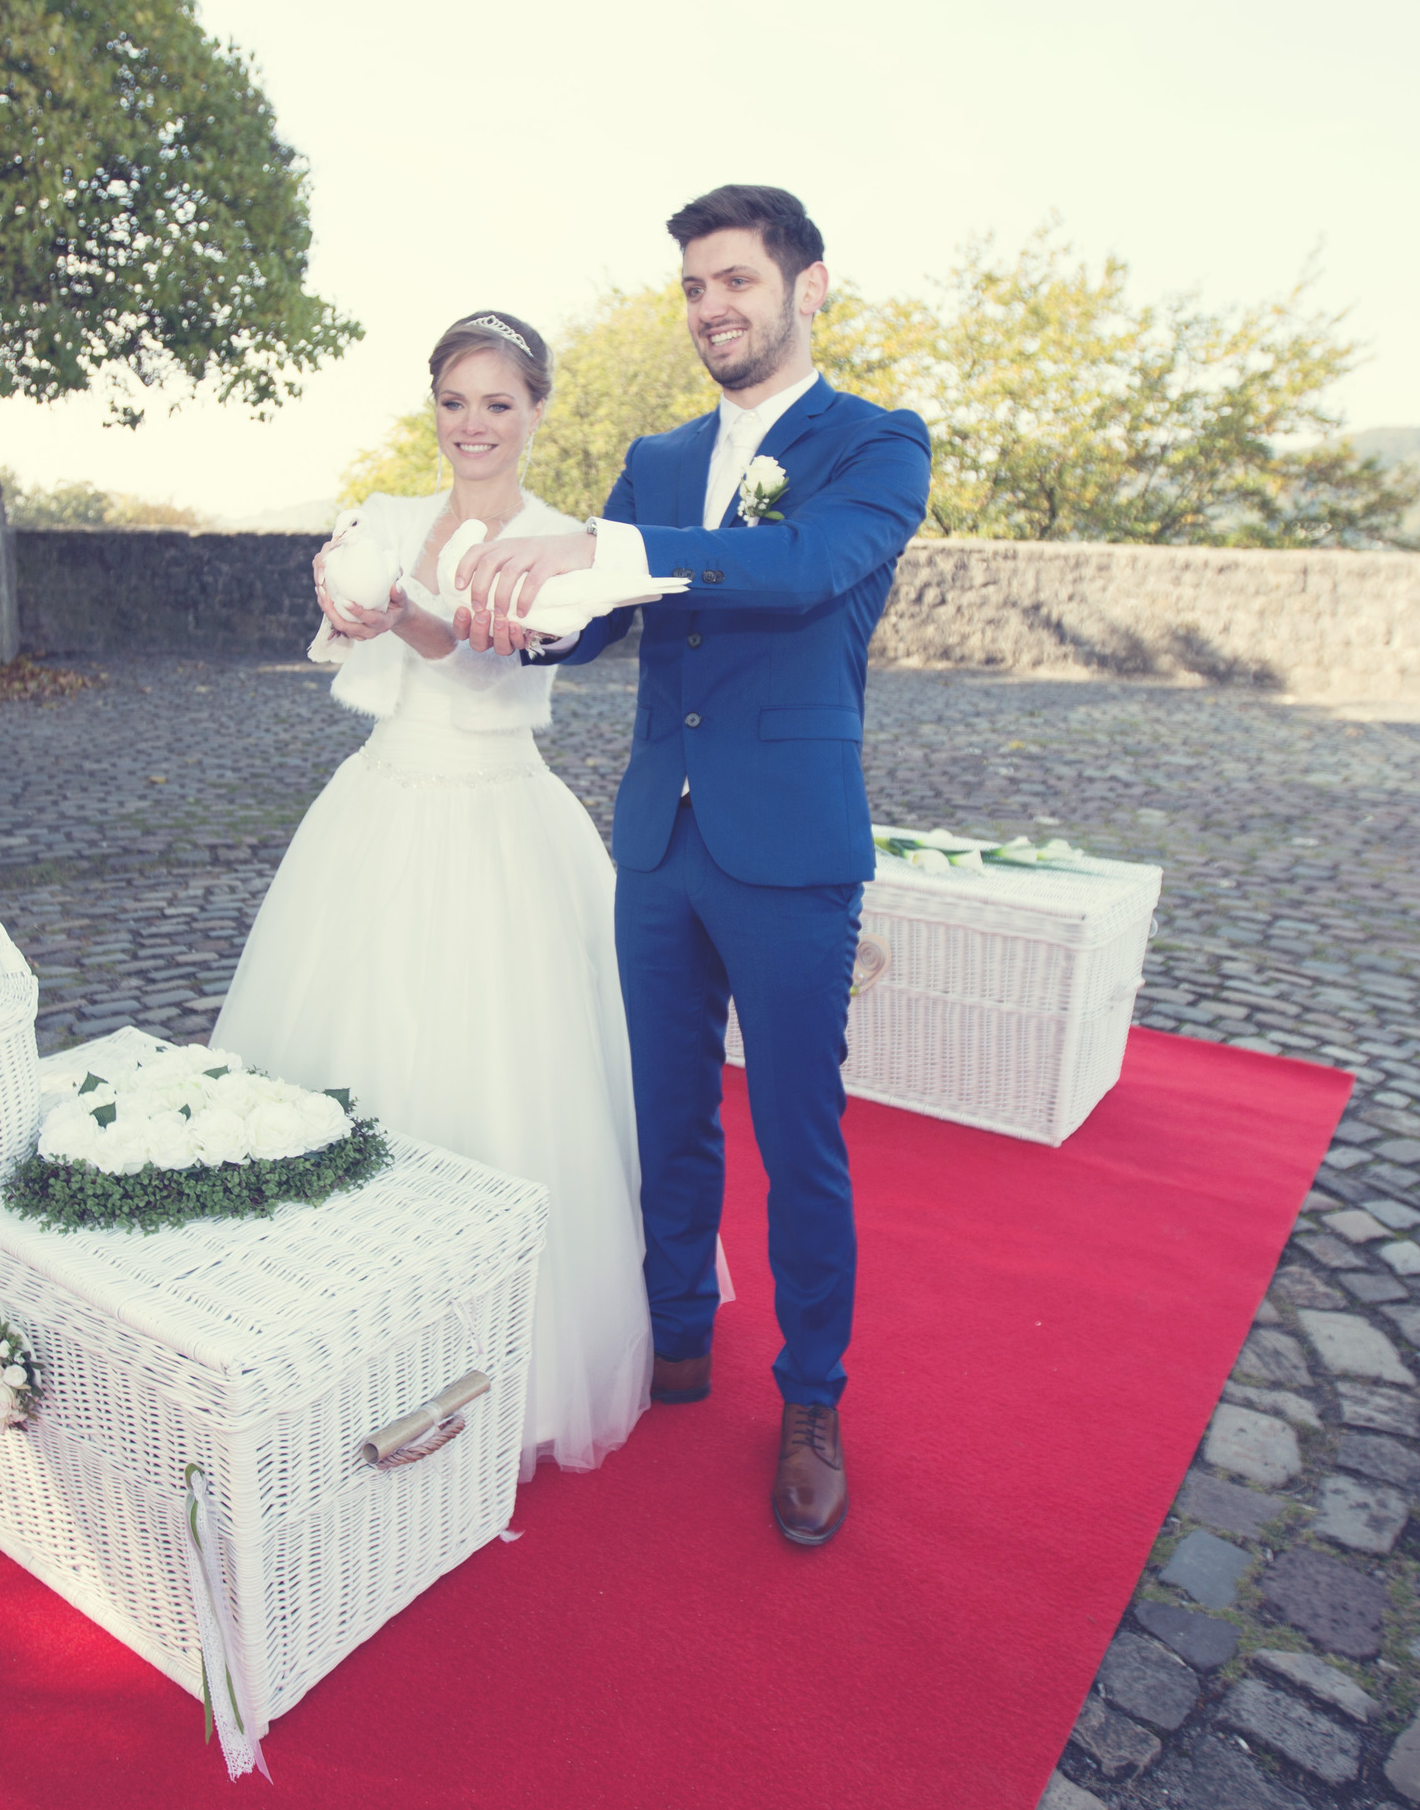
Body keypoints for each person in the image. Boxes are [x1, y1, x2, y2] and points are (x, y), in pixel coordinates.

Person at [451, 185, 931, 1547]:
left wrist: (604, 556)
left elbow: (797, 569)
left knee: (800, 1138)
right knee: (665, 1114)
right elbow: (588, 628)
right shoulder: (659, 460)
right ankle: (672, 1337)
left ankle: (814, 1400)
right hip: (657, 838)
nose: (713, 306)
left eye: (736, 279)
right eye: (693, 288)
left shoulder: (878, 444)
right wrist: (508, 615)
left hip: (790, 848)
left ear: (807, 287)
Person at [209, 310, 653, 1481]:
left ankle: (493, 1350)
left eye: (497, 404)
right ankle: (325, 1326)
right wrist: (345, 591)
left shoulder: (565, 542)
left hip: (503, 816)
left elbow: (492, 656)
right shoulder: (391, 519)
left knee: (509, 1069)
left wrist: (406, 610)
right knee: (343, 1050)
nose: (473, 426)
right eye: (454, 401)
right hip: (380, 804)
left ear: (536, 412)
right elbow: (346, 631)